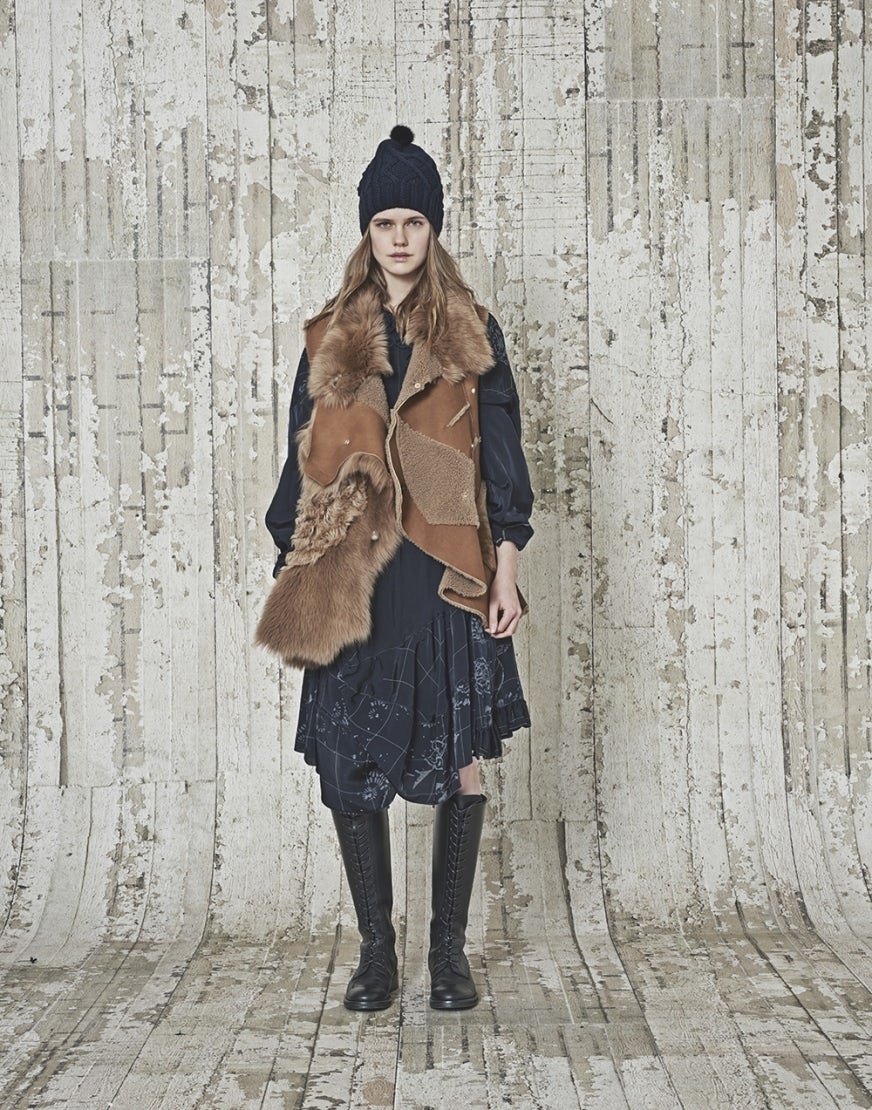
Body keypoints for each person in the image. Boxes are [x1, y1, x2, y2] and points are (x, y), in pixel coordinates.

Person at [257, 126, 534, 1013]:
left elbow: (503, 460)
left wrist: (506, 565)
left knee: (462, 766)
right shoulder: (333, 337)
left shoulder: (472, 333)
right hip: (358, 577)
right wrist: (296, 559)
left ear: (433, 228)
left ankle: (448, 956)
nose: (400, 237)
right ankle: (377, 955)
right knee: (351, 765)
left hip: (446, 572)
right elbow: (302, 460)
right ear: (368, 232)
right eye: (385, 222)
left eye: (414, 220)